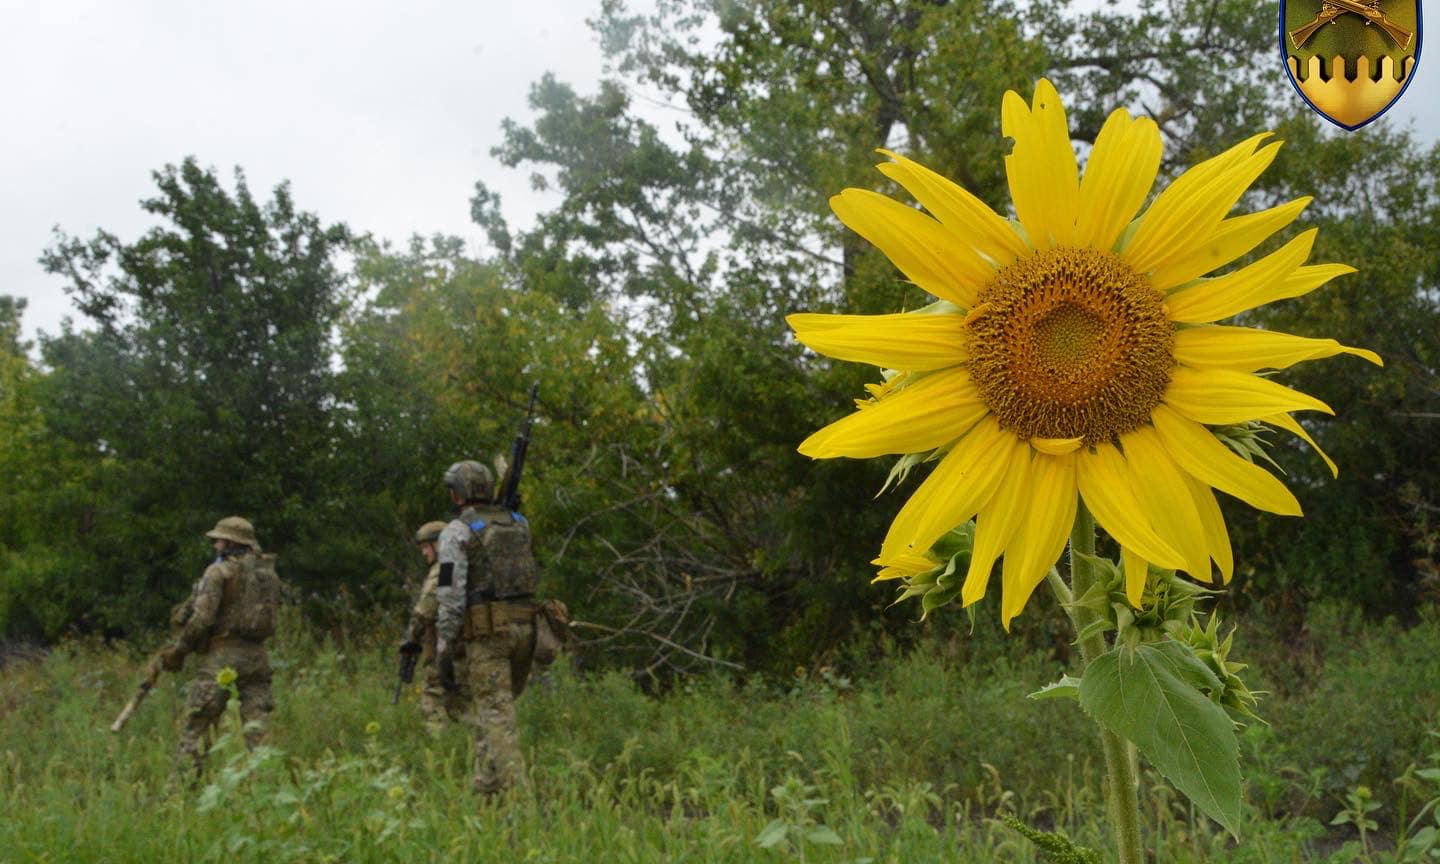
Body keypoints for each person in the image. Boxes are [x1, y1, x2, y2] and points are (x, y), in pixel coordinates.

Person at [434, 459, 538, 796]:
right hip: (527, 630)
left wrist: (444, 644)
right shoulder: (519, 522)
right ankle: (485, 793)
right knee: (493, 713)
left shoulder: (456, 531)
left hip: (488, 633)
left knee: (495, 715)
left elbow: (449, 592)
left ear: (456, 494)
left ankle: (521, 804)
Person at [158, 516, 280, 778]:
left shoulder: (219, 572)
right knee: (258, 734)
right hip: (258, 659)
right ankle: (266, 787)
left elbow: (202, 619)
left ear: (229, 542)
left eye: (218, 540)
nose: (215, 546)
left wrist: (179, 651)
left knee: (197, 727)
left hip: (222, 657)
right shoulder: (267, 574)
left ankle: (178, 794)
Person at [405, 519, 461, 733]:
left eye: (426, 547)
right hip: (462, 646)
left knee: (433, 697)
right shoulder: (461, 565)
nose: (424, 553)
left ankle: (438, 750)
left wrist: (410, 639)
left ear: (439, 545)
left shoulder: (444, 569)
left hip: (445, 646)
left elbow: (424, 610)